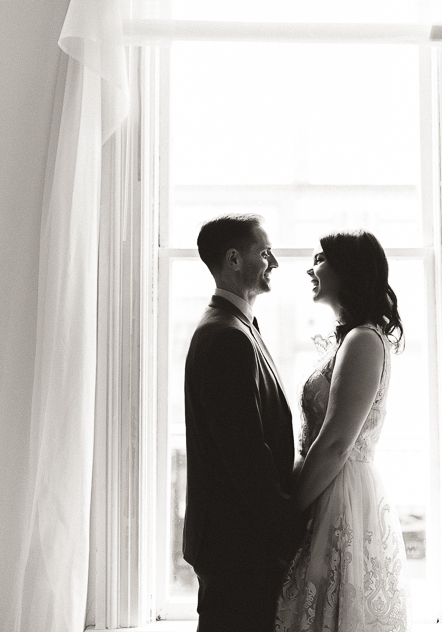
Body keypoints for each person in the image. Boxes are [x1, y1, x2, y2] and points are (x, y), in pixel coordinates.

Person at [275, 230, 410, 632]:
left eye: (320, 259)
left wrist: (290, 510)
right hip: (329, 487)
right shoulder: (353, 338)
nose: (310, 268)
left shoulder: (364, 340)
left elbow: (335, 443)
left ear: (347, 270)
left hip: (338, 493)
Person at [183, 214, 305, 632]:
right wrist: (288, 526)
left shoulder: (237, 326)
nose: (274, 262)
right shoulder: (226, 336)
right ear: (234, 259)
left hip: (237, 543)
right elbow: (245, 454)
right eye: (265, 252)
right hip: (237, 547)